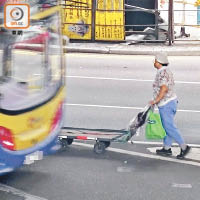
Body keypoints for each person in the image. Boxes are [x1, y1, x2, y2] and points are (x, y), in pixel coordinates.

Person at [149, 52, 191, 159]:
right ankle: (167, 149)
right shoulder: (165, 71)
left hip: (166, 104)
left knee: (169, 127)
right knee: (168, 126)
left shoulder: (162, 73)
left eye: (155, 60)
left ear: (159, 62)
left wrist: (155, 100)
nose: (154, 62)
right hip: (170, 102)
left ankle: (184, 147)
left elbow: (164, 88)